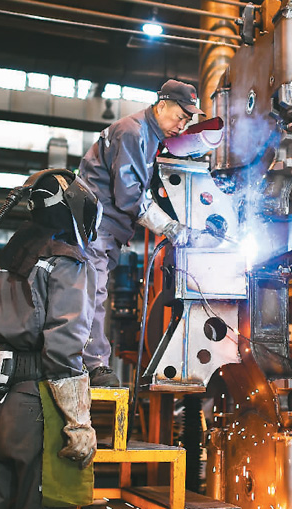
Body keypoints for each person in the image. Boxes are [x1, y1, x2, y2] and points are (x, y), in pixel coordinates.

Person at [0, 169, 101, 509]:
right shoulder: (65, 259)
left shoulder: (3, 259)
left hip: (1, 407)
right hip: (40, 407)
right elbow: (65, 346)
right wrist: (78, 422)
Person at [79, 79, 205, 386]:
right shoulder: (133, 132)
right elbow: (129, 196)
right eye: (180, 116)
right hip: (95, 226)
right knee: (91, 294)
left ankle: (86, 364)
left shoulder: (150, 136)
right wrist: (170, 227)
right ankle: (93, 366)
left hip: (107, 229)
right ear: (162, 105)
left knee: (93, 292)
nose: (182, 125)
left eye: (188, 120)